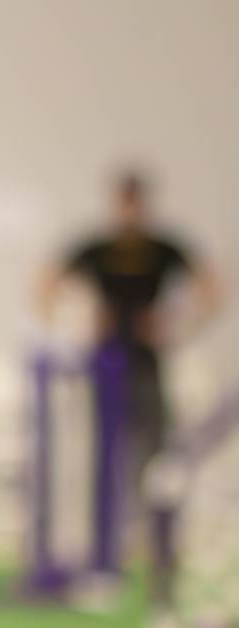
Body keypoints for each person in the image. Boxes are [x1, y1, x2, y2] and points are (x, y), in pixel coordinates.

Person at [36, 170, 223, 599]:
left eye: (135, 202)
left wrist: (180, 324)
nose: (129, 211)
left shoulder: (163, 248)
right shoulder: (97, 248)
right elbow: (46, 283)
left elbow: (209, 285)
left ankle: (163, 553)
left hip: (148, 367)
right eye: (124, 202)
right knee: (106, 464)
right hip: (106, 367)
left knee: (159, 465)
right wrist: (74, 324)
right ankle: (107, 557)